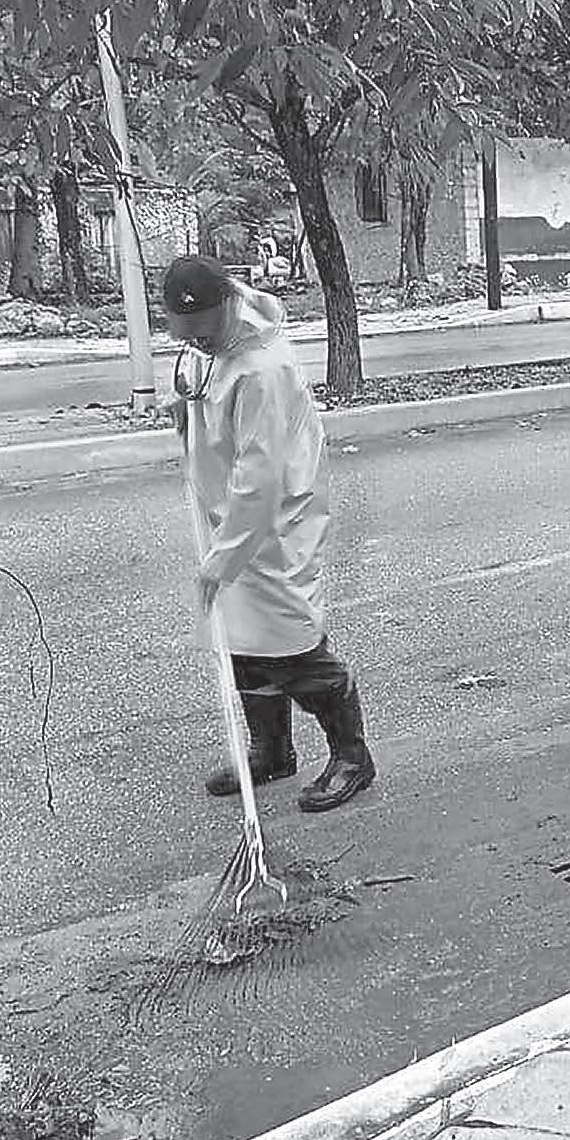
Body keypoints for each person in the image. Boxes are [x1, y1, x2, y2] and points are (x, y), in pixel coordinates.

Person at [163, 255, 376, 811]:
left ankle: (352, 755)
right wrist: (185, 404)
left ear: (226, 309)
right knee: (241, 644)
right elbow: (202, 375)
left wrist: (224, 558)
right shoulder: (216, 340)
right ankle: (272, 750)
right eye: (186, 336)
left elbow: (260, 477)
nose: (197, 344)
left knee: (291, 647)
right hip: (228, 517)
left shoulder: (264, 368)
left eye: (202, 334)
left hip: (273, 523)